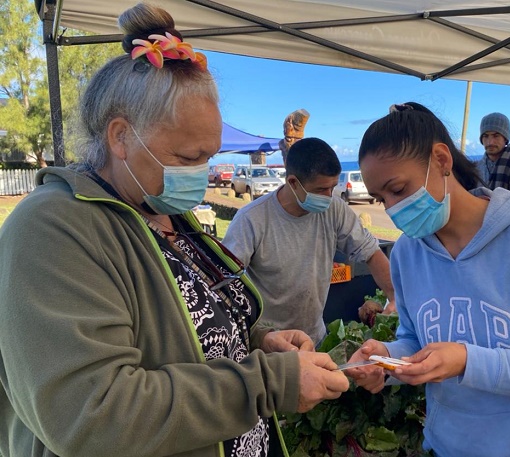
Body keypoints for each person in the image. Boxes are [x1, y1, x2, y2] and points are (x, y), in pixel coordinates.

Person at [0, 4, 349, 457]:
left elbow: (188, 334)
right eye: (187, 158)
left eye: (210, 156)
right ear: (121, 136)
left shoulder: (165, 216)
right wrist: (267, 383)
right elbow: (92, 414)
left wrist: (260, 341)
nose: (202, 174)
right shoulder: (52, 230)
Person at [345, 102, 510, 457]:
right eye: (381, 198)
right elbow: (416, 339)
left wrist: (469, 361)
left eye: (399, 189)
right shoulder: (407, 253)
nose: (391, 209)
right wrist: (387, 359)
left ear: (441, 160)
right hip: (450, 444)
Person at [223, 137, 395, 345]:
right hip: (268, 344)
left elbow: (371, 252)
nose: (329, 196)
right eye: (321, 190)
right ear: (293, 183)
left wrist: (395, 300)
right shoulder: (251, 219)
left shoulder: (335, 209)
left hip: (315, 338)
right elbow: (226, 286)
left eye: (332, 187)